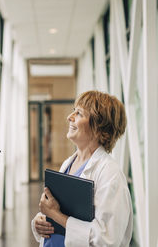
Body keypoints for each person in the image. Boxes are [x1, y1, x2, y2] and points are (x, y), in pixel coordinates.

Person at [31, 90, 133, 247]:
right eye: (73, 111)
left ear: (100, 127)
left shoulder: (110, 174)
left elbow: (107, 240)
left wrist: (55, 215)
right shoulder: (68, 163)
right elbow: (62, 211)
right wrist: (41, 222)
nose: (69, 117)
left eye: (79, 113)